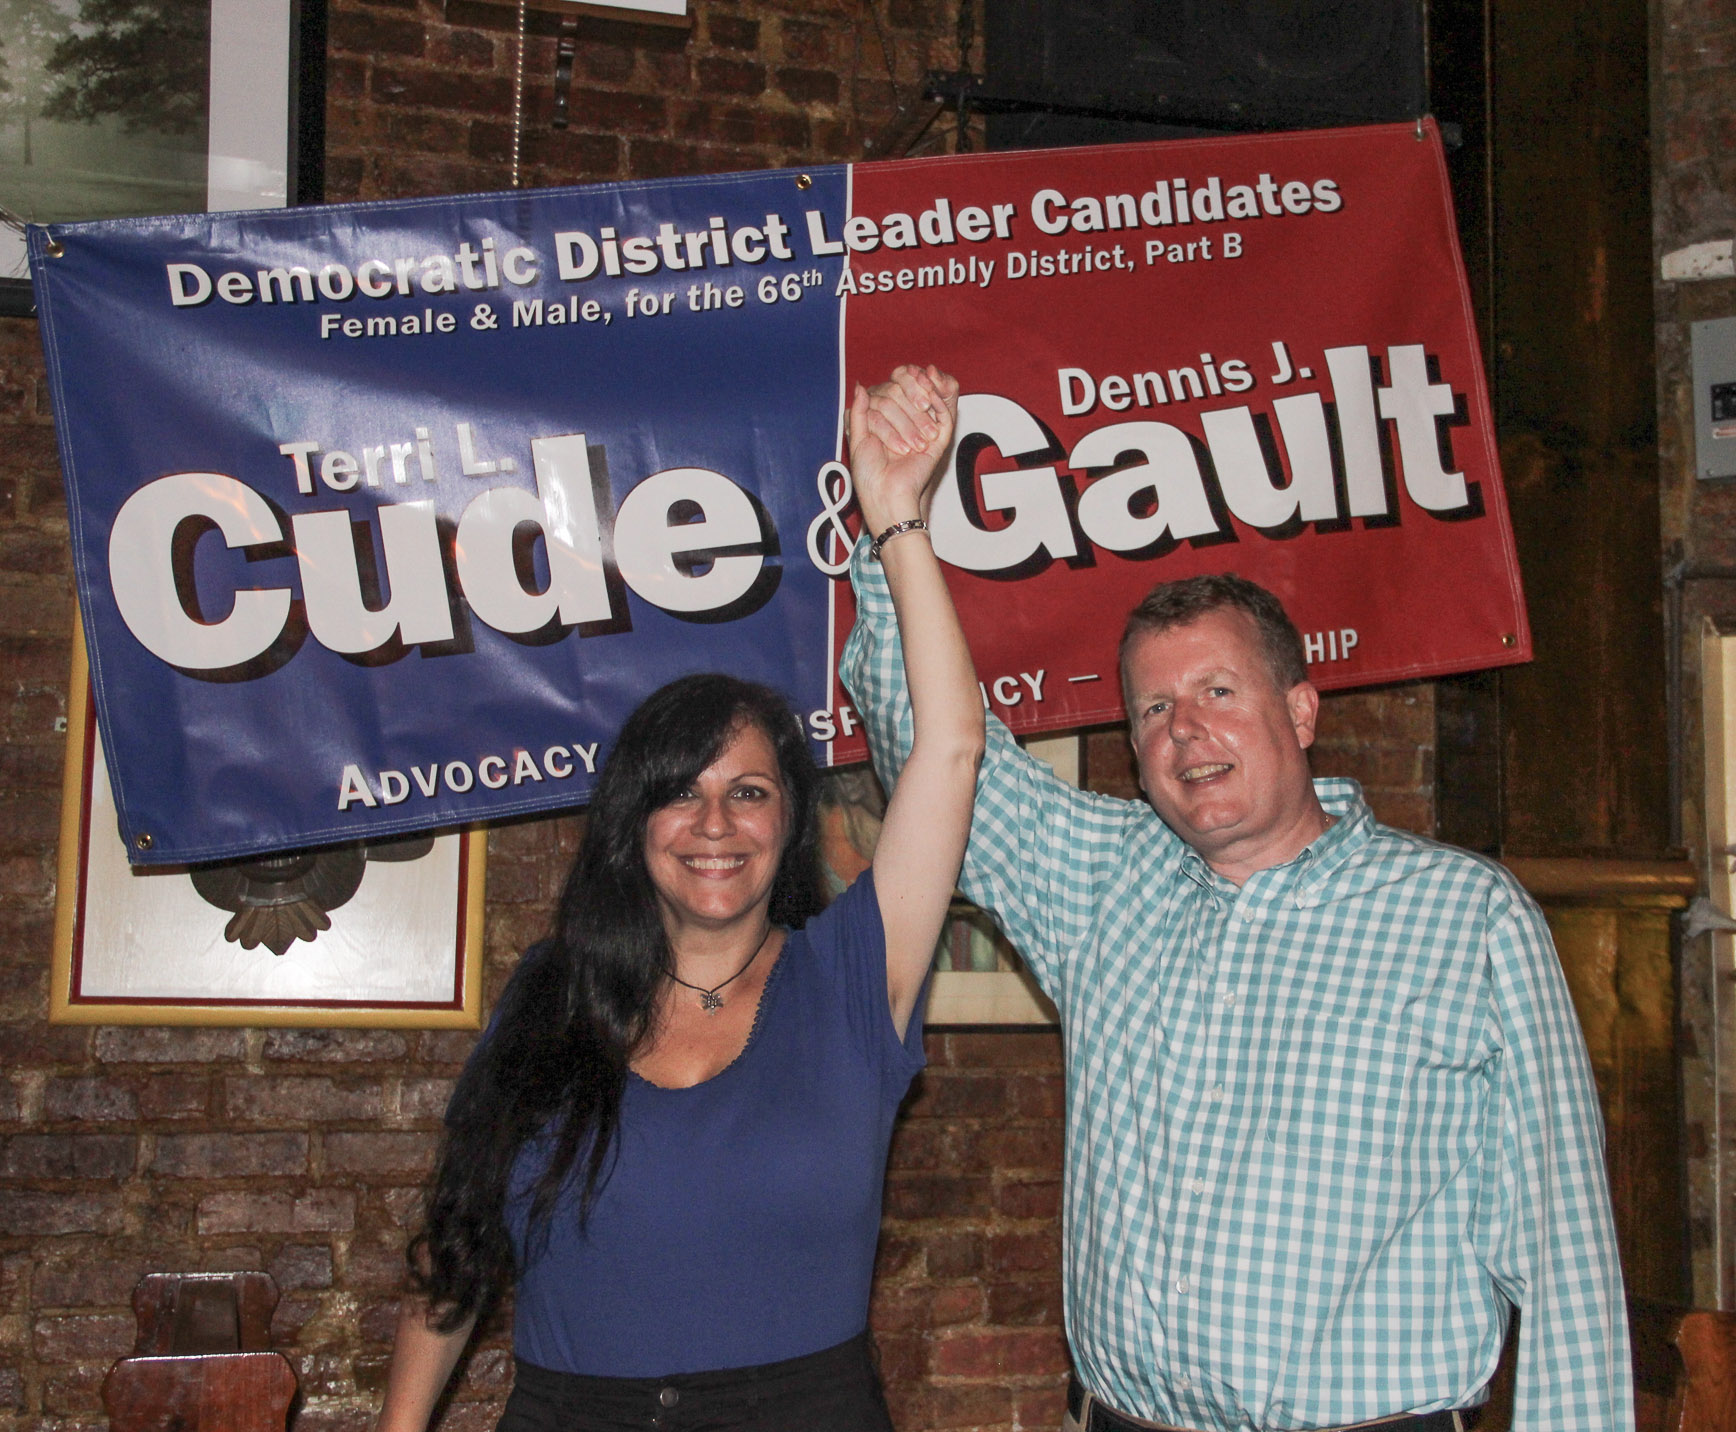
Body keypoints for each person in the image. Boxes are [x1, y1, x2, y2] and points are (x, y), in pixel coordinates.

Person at [843, 448, 1633, 1428]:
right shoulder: (1098, 879)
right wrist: (892, 522)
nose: (1185, 732)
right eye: (1153, 709)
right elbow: (934, 752)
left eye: (1218, 692)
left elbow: (1563, 1251)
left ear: (1299, 711)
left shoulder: (1462, 918)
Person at [376, 364, 981, 1432]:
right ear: (631, 822)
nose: (714, 825)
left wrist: (897, 519)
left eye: (748, 792)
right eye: (680, 794)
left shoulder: (852, 977)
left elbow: (948, 744)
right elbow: (459, 1241)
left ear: (790, 819)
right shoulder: (549, 993)